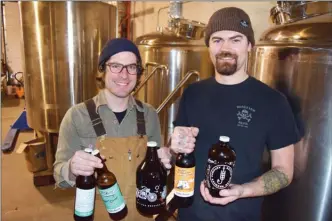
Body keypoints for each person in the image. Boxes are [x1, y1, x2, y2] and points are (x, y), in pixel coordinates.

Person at [169, 7, 301, 221]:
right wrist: (172, 148)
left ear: (250, 45)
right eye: (217, 40)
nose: (225, 48)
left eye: (235, 39)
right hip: (189, 214)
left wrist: (242, 190)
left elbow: (284, 172)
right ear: (209, 47)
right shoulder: (193, 93)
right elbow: (179, 150)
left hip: (241, 216)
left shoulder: (273, 101)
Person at [53, 38, 172, 220]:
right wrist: (71, 168)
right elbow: (58, 176)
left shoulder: (149, 114)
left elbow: (157, 168)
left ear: (138, 73)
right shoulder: (76, 116)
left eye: (131, 67)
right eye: (116, 66)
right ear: (102, 70)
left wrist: (166, 162)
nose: (124, 75)